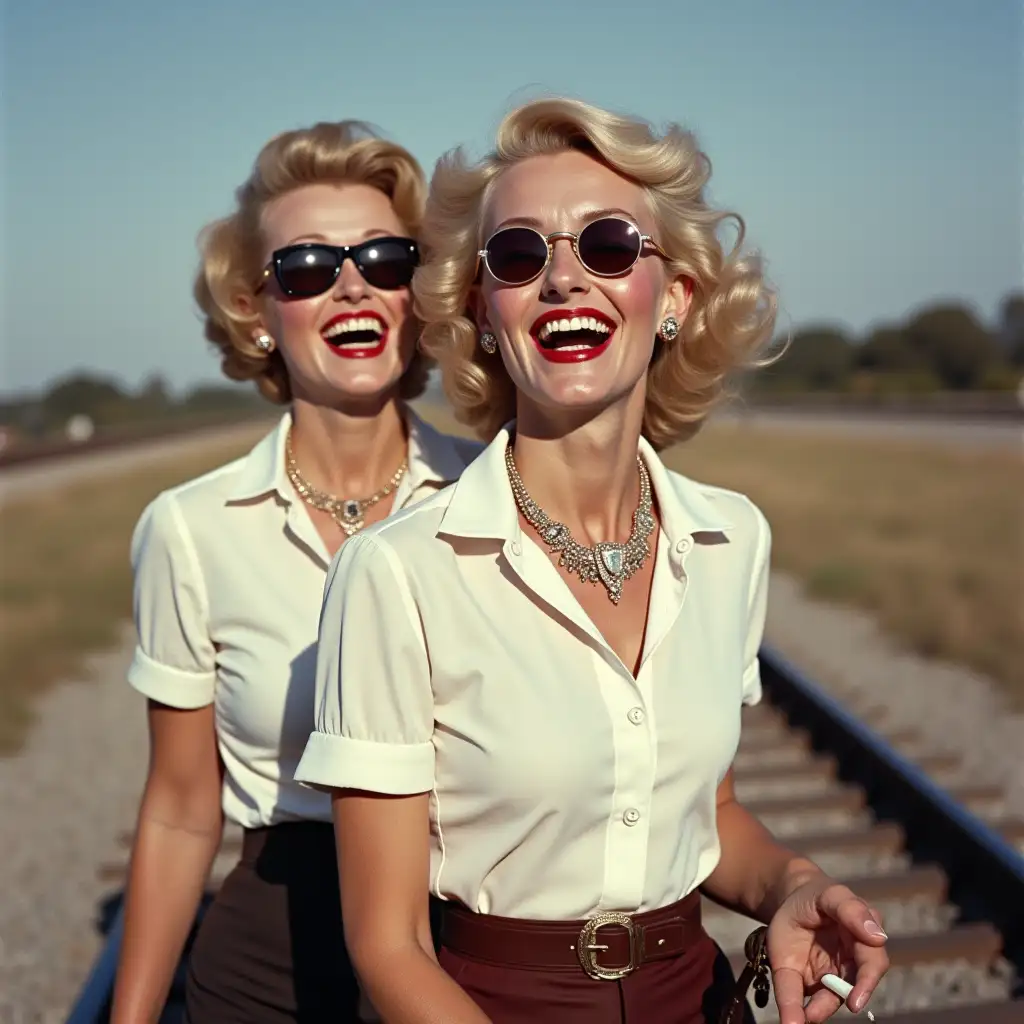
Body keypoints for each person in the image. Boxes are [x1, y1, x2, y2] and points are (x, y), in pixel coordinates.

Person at [295, 99, 890, 1024]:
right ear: (484, 314)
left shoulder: (733, 540)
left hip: (692, 997)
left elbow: (707, 813)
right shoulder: (395, 573)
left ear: (676, 298)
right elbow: (385, 945)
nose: (565, 279)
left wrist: (792, 886)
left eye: (608, 246)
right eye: (521, 256)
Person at [111, 120, 480, 1024]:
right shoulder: (190, 531)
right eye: (308, 268)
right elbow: (181, 809)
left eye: (385, 259)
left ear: (420, 292)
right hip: (270, 957)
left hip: (470, 936)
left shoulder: (492, 496)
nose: (351, 286)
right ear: (256, 309)